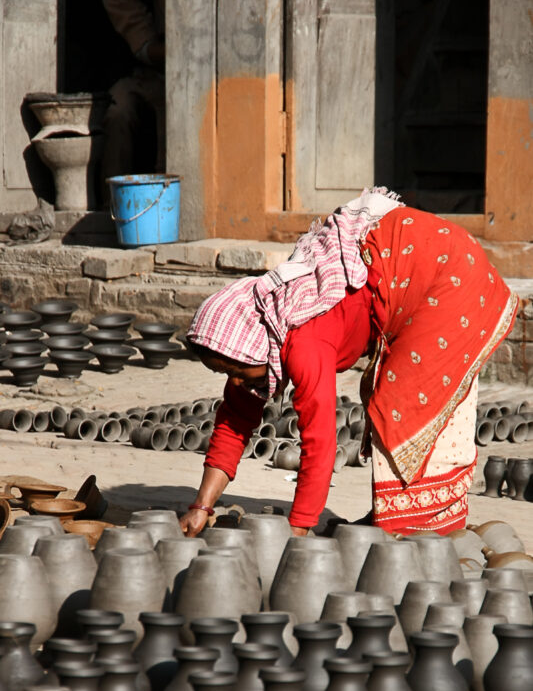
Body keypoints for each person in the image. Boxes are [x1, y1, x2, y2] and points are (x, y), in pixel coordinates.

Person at [180, 187, 518, 539]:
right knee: (389, 398)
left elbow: (320, 443)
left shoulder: (303, 343)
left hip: (448, 275)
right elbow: (234, 420)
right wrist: (201, 506)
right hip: (413, 265)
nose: (234, 381)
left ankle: (420, 528)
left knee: (401, 406)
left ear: (252, 349)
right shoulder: (263, 330)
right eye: (225, 374)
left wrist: (298, 533)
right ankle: (395, 517)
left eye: (234, 371)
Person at [101, 0, 165, 180]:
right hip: (152, 72)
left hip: (199, 76)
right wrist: (166, 51)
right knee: (117, 109)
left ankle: (167, 198)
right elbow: (143, 44)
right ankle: (114, 202)